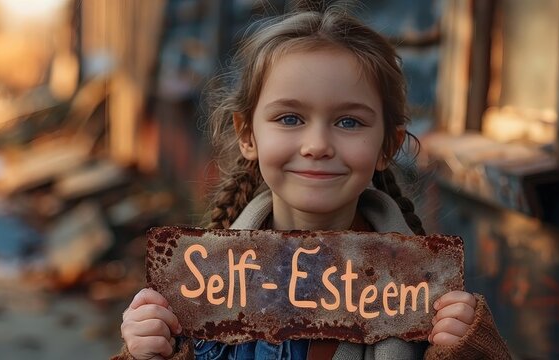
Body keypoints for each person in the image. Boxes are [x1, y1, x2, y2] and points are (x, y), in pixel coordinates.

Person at [114, 6, 510, 360]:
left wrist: (468, 352)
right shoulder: (202, 287)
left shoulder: (427, 298)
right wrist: (146, 352)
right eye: (290, 118)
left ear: (387, 145)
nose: (317, 145)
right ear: (247, 135)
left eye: (349, 122)